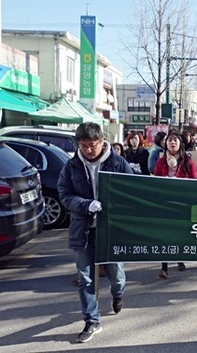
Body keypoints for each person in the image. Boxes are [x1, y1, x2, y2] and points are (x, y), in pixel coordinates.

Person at [57, 122, 133, 343]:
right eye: (83, 145)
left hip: (110, 230)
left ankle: (118, 295)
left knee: (116, 275)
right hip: (83, 229)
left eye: (92, 145)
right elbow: (64, 193)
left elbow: (132, 191)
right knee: (84, 277)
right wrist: (84, 204)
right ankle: (92, 320)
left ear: (101, 141)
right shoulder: (72, 166)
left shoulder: (118, 163)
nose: (88, 150)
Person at [154, 129, 197, 278]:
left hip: (182, 203)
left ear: (180, 143)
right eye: (169, 140)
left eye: (175, 140)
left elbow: (194, 181)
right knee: (164, 234)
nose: (172, 142)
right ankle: (164, 266)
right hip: (165, 203)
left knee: (179, 232)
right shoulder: (161, 161)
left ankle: (180, 258)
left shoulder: (187, 161)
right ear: (165, 144)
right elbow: (155, 182)